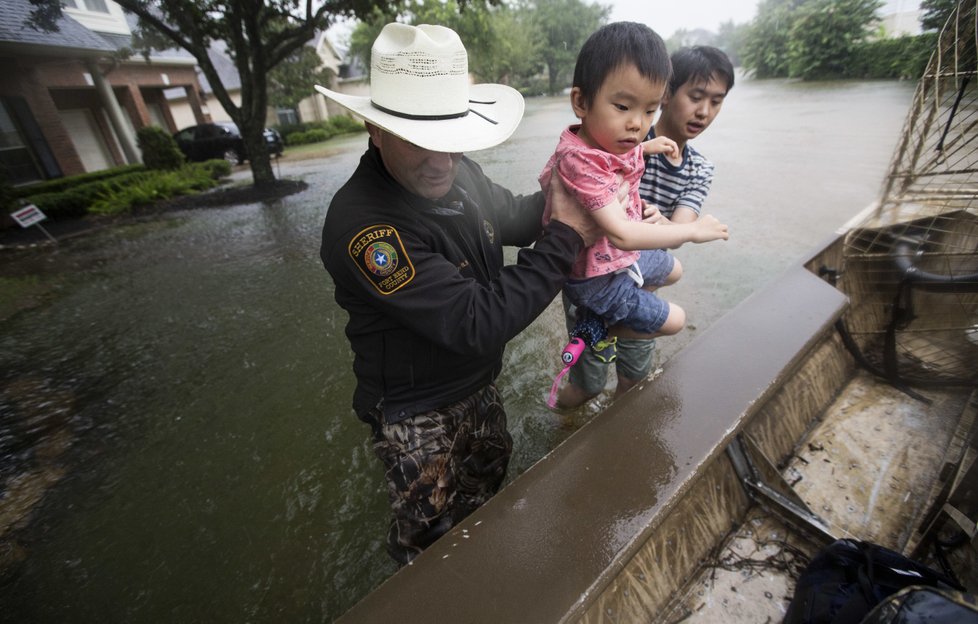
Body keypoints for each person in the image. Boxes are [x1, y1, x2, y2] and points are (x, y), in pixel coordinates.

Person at [313, 23, 598, 565]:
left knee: (488, 495)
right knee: (430, 548)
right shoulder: (366, 228)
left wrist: (583, 186)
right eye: (420, 140)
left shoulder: (455, 171)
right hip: (416, 410)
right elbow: (476, 321)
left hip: (477, 383)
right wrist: (566, 237)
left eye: (452, 138)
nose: (441, 159)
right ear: (375, 129)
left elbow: (513, 215)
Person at [539, 22, 729, 408]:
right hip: (598, 274)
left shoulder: (658, 151)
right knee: (590, 382)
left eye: (716, 101)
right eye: (695, 96)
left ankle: (614, 424)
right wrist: (689, 231)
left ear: (657, 100)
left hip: (629, 269)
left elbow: (668, 230)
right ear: (672, 92)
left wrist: (676, 224)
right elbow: (625, 228)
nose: (704, 112)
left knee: (634, 379)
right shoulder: (611, 138)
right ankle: (560, 411)